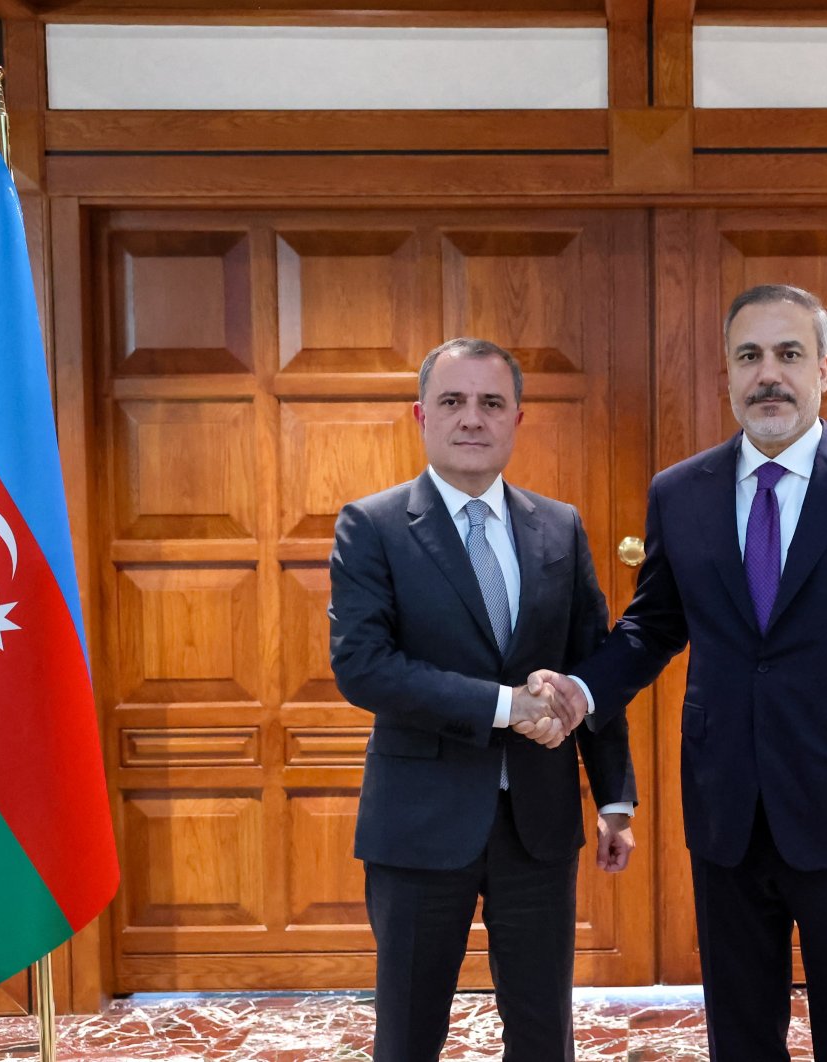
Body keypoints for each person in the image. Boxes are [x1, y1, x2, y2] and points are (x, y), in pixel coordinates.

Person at [530, 285, 827, 1062]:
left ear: (824, 370)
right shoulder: (681, 492)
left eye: (790, 354)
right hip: (726, 804)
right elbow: (651, 626)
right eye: (750, 356)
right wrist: (582, 689)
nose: (770, 374)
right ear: (727, 374)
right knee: (739, 1030)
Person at [329, 337, 637, 1062]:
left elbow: (588, 665)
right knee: (409, 1034)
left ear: (517, 419)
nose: (473, 418)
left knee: (541, 1034)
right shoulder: (371, 527)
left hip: (539, 825)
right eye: (454, 402)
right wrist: (505, 706)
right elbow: (363, 667)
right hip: (418, 825)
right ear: (421, 416)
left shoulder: (558, 526)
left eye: (491, 403)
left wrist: (614, 799)